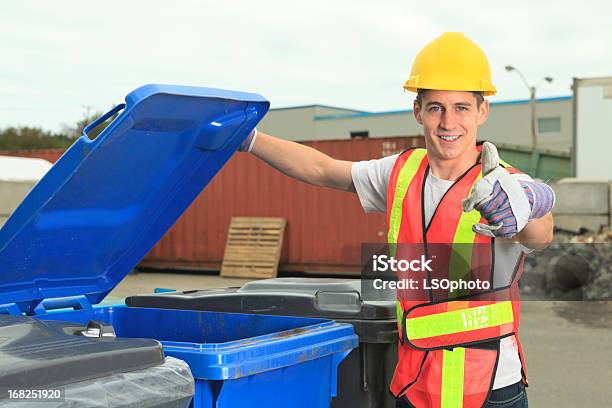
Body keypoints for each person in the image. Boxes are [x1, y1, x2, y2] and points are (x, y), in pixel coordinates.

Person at [239, 32, 554, 408]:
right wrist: (249, 139)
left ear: (482, 111)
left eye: (462, 108)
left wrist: (524, 208)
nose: (448, 122)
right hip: (415, 382)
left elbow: (541, 233)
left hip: (487, 387)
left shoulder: (501, 182)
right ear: (418, 110)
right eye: (436, 107)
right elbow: (322, 169)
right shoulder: (400, 172)